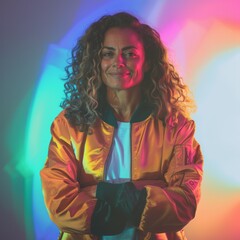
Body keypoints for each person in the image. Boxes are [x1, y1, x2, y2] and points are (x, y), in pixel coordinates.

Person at [40, 12, 203, 240]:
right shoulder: (68, 124)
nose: (118, 62)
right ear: (97, 61)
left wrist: (94, 191)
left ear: (147, 63)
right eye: (108, 53)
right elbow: (59, 202)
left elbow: (185, 201)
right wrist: (144, 190)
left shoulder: (176, 126)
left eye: (129, 53)